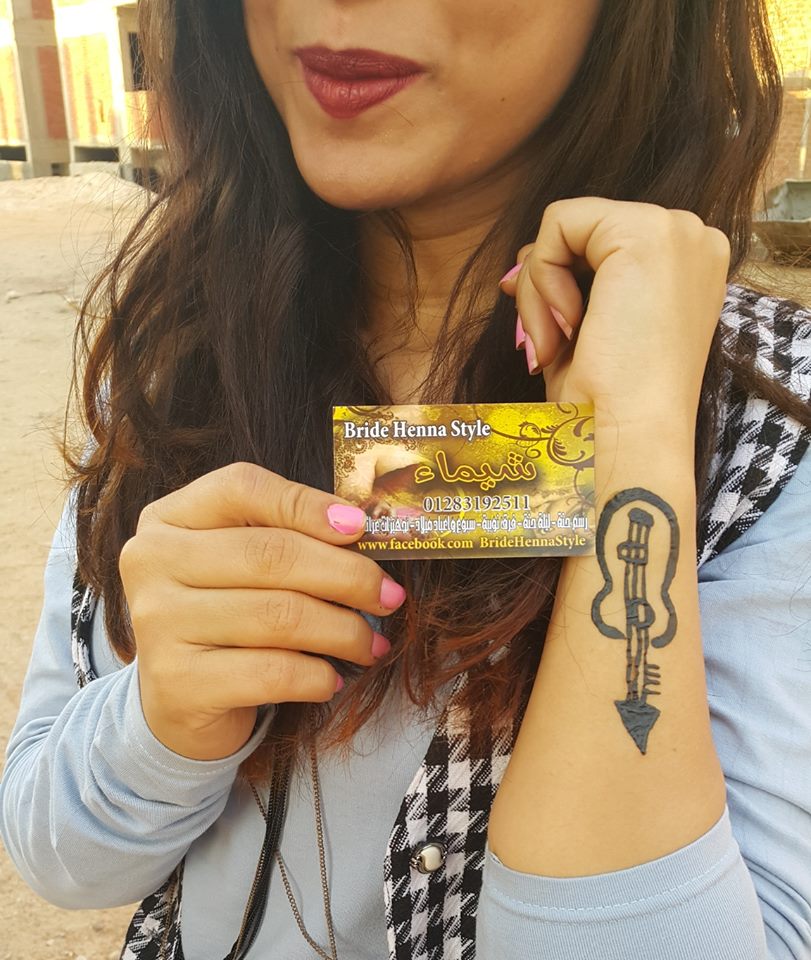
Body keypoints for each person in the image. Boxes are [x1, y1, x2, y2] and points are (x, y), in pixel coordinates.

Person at [1, 1, 810, 958]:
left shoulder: (777, 429)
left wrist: (631, 450)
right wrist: (157, 723)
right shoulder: (181, 351)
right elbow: (64, 859)